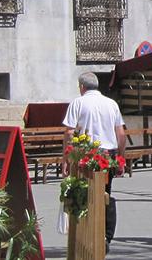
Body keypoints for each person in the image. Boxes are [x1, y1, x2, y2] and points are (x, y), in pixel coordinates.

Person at [62, 72, 126, 251]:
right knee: (105, 193)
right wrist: (121, 159)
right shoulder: (111, 103)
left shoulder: (78, 103)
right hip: (109, 155)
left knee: (85, 194)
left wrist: (66, 159)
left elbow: (68, 133)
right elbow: (121, 135)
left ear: (82, 86)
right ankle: (105, 235)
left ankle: (87, 233)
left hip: (86, 154)